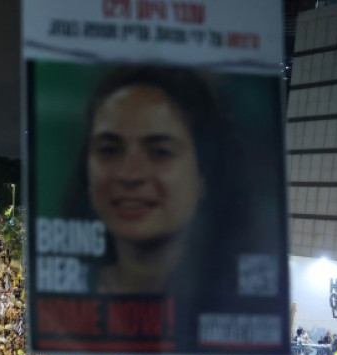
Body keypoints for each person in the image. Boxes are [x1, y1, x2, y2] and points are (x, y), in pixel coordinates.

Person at [70, 65, 245, 295]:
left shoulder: (229, 301)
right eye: (110, 149)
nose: (129, 175)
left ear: (203, 173)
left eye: (160, 152)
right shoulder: (68, 300)